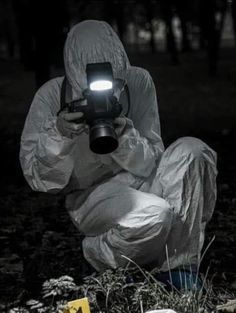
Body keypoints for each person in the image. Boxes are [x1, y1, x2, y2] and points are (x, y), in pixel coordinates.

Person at [20, 20, 217, 288]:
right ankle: (98, 254)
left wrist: (125, 136)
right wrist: (60, 133)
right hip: (91, 195)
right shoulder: (52, 96)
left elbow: (152, 159)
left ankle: (178, 266)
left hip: (140, 177)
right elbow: (40, 181)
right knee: (155, 215)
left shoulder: (137, 82)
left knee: (194, 151)